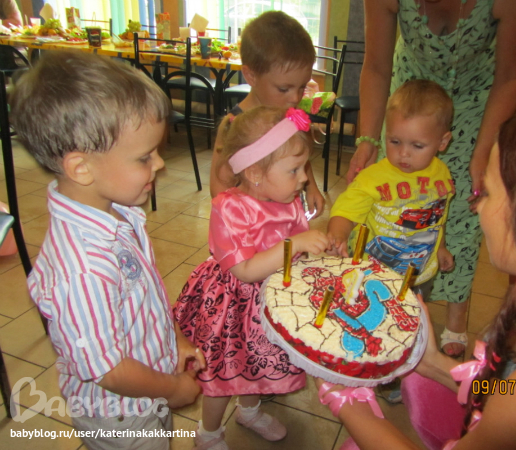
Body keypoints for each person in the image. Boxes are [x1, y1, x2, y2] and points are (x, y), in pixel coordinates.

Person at [317, 102, 516, 449]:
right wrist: (434, 364)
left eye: (486, 193)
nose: (477, 207)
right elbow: (510, 393)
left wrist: (347, 402)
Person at [11, 52, 205, 449]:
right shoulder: (82, 270)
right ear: (81, 168)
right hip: (122, 416)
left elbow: (146, 296)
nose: (159, 164)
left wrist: (175, 339)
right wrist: (171, 389)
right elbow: (110, 370)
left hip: (148, 385)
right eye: (144, 157)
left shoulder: (117, 211)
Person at [348, 0, 516, 356]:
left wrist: (483, 153)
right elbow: (375, 66)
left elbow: (512, 75)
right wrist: (370, 138)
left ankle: (456, 316)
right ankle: (390, 300)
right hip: (408, 105)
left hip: (478, 107)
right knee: (396, 208)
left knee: (466, 207)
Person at [174, 106, 331, 450]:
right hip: (231, 306)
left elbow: (297, 252)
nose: (304, 179)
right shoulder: (229, 208)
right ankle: (209, 432)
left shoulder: (289, 200)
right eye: (294, 170)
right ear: (256, 172)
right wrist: (294, 244)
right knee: (224, 372)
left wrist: (315, 250)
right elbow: (244, 270)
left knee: (255, 364)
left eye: (303, 168)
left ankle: (249, 411)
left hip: (271, 301)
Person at [328, 80, 455, 296]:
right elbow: (344, 213)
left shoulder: (442, 174)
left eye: (417, 145)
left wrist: (440, 247)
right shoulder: (372, 178)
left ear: (442, 142)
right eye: (395, 141)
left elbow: (438, 219)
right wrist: (337, 236)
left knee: (412, 313)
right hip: (373, 274)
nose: (403, 153)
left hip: (420, 275)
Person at [209, 10, 325, 219]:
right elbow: (219, 187)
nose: (295, 98)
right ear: (251, 76)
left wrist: (310, 186)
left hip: (287, 214)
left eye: (302, 87)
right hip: (252, 223)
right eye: (284, 89)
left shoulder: (287, 116)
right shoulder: (235, 125)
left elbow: (297, 156)